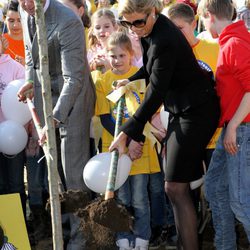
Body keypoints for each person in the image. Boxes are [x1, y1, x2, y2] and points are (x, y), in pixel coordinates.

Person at [109, 1, 220, 249]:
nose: (134, 29)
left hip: (197, 111)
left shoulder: (164, 38)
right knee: (177, 188)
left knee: (174, 188)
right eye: (128, 24)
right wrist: (131, 78)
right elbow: (153, 69)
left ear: (153, 13)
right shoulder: (150, 31)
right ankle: (187, 243)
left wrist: (129, 132)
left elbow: (157, 90)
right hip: (182, 111)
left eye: (138, 22)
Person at [17, 0, 96, 248]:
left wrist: (56, 116)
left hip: (74, 101)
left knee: (72, 171)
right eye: (21, 0)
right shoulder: (24, 10)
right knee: (55, 170)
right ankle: (62, 227)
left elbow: (74, 77)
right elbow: (32, 57)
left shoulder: (68, 21)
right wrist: (30, 82)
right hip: (45, 97)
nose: (26, 4)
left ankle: (80, 238)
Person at [95, 31, 161, 250]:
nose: (117, 61)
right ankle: (124, 237)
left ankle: (142, 237)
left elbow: (146, 112)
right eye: (113, 56)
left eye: (122, 56)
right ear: (107, 55)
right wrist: (122, 141)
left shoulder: (140, 78)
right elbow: (105, 117)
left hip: (138, 149)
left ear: (131, 55)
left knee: (141, 198)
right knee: (122, 199)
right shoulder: (103, 81)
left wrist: (135, 140)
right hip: (117, 150)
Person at [197, 0, 250, 249]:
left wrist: (232, 127)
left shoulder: (234, 44)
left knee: (240, 201)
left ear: (209, 15)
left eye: (203, 21)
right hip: (235, 127)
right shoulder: (232, 41)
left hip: (240, 129)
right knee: (215, 186)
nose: (204, 26)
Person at [0, 39, 26, 219]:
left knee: (15, 184)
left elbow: (25, 103)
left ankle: (19, 232)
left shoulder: (16, 68)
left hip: (13, 137)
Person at [2, 1, 25, 65]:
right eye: (11, 21)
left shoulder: (34, 41)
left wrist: (27, 65)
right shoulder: (1, 41)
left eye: (19, 20)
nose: (15, 25)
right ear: (4, 19)